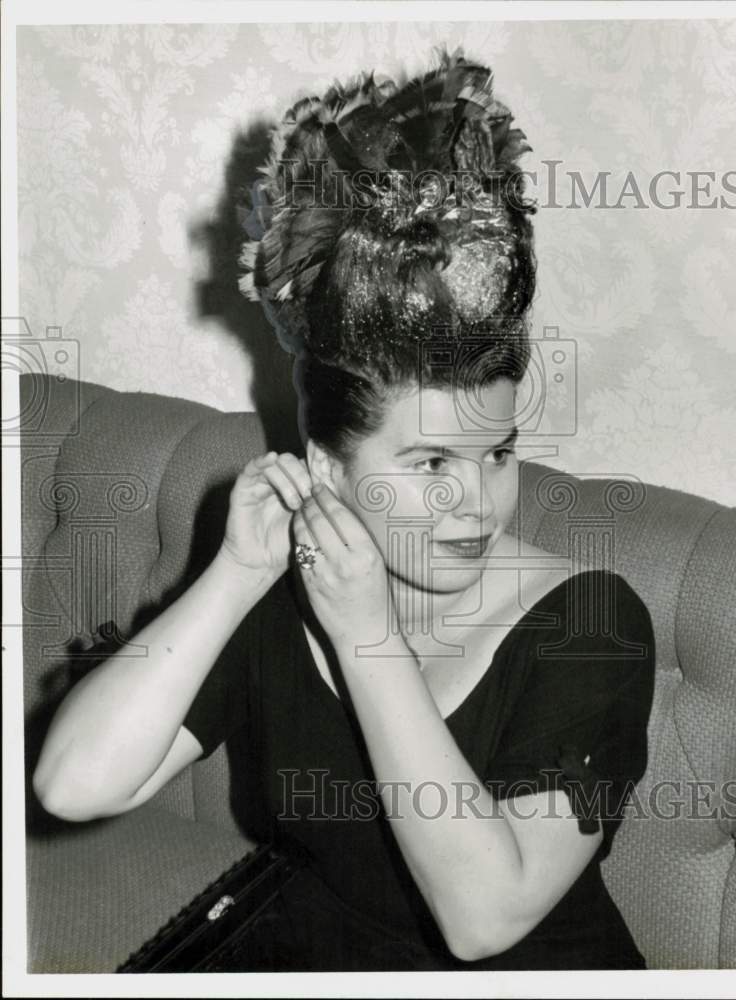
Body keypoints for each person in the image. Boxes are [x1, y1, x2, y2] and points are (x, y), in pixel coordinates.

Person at [33, 49, 656, 972]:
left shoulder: (593, 625)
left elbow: (486, 918)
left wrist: (370, 643)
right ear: (329, 465)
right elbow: (74, 784)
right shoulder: (287, 586)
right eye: (431, 460)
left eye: (498, 454)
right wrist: (236, 575)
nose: (474, 500)